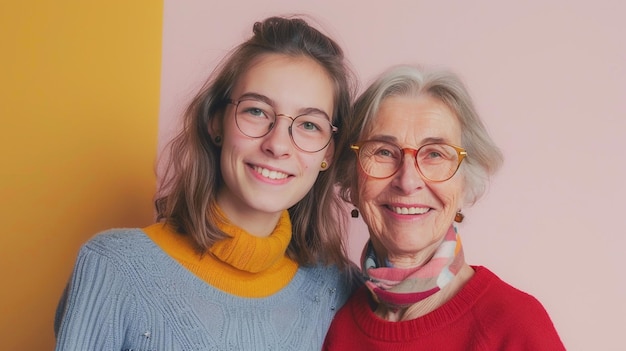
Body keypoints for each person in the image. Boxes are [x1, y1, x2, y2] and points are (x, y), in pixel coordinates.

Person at [54, 15, 358, 350]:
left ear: (328, 151)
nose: (278, 144)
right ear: (216, 122)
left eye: (309, 125)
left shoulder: (334, 287)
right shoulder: (113, 267)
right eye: (256, 111)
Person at [323, 65, 565, 350]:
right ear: (352, 177)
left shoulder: (515, 324)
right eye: (384, 152)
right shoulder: (335, 320)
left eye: (435, 154)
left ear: (466, 182)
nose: (408, 180)